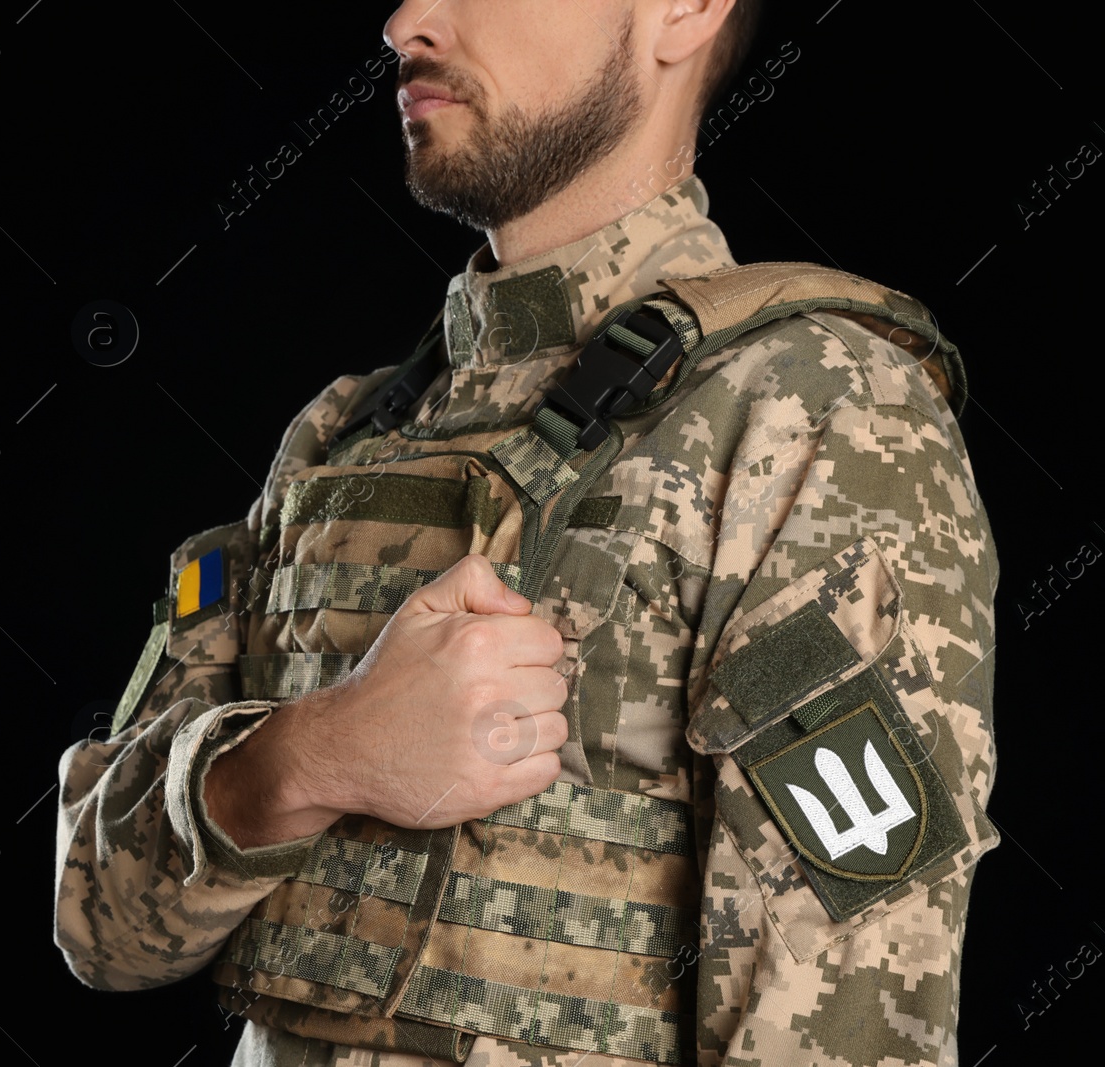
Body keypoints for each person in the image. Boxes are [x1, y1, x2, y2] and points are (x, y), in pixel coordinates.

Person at [55, 0, 1000, 1064]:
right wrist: (316, 753)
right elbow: (100, 926)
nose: (404, 20)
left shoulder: (812, 407)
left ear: (683, 12)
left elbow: (847, 1025)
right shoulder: (345, 433)